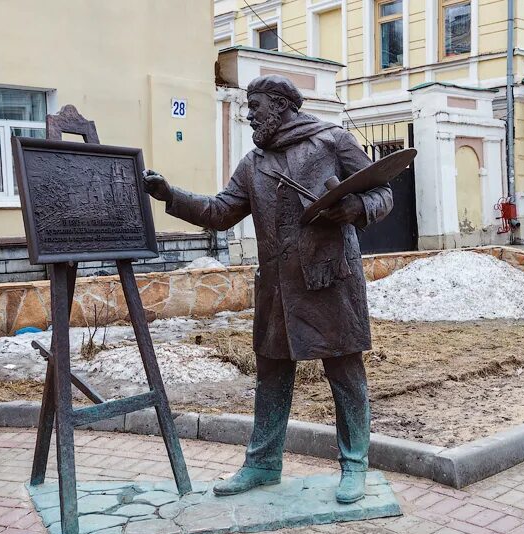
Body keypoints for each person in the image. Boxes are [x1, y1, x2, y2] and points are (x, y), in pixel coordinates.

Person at [142, 75, 392, 503]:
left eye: (255, 105)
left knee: (345, 374)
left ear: (280, 104)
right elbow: (220, 212)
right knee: (272, 376)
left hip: (330, 280)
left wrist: (355, 207)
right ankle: (262, 463)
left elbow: (382, 191)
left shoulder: (332, 140)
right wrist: (170, 195)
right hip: (277, 287)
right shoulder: (254, 162)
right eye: (248, 107)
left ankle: (355, 465)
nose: (250, 113)